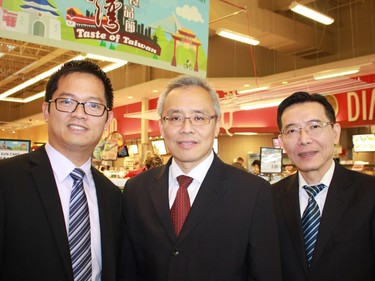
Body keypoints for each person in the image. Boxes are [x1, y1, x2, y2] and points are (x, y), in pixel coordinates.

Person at [120, 75, 282, 281]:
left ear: (216, 126)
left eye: (199, 118)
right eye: (175, 118)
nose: (186, 128)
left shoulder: (253, 193)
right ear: (161, 126)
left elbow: (264, 273)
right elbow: (127, 268)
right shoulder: (136, 190)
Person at [0, 60, 123, 281]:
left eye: (93, 105)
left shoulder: (112, 196)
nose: (79, 113)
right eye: (67, 101)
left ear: (107, 121)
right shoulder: (7, 180)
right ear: (47, 110)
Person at [272, 91, 375, 281]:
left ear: (335, 133)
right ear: (282, 140)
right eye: (292, 130)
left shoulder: (369, 193)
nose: (304, 139)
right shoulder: (269, 199)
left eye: (314, 126)